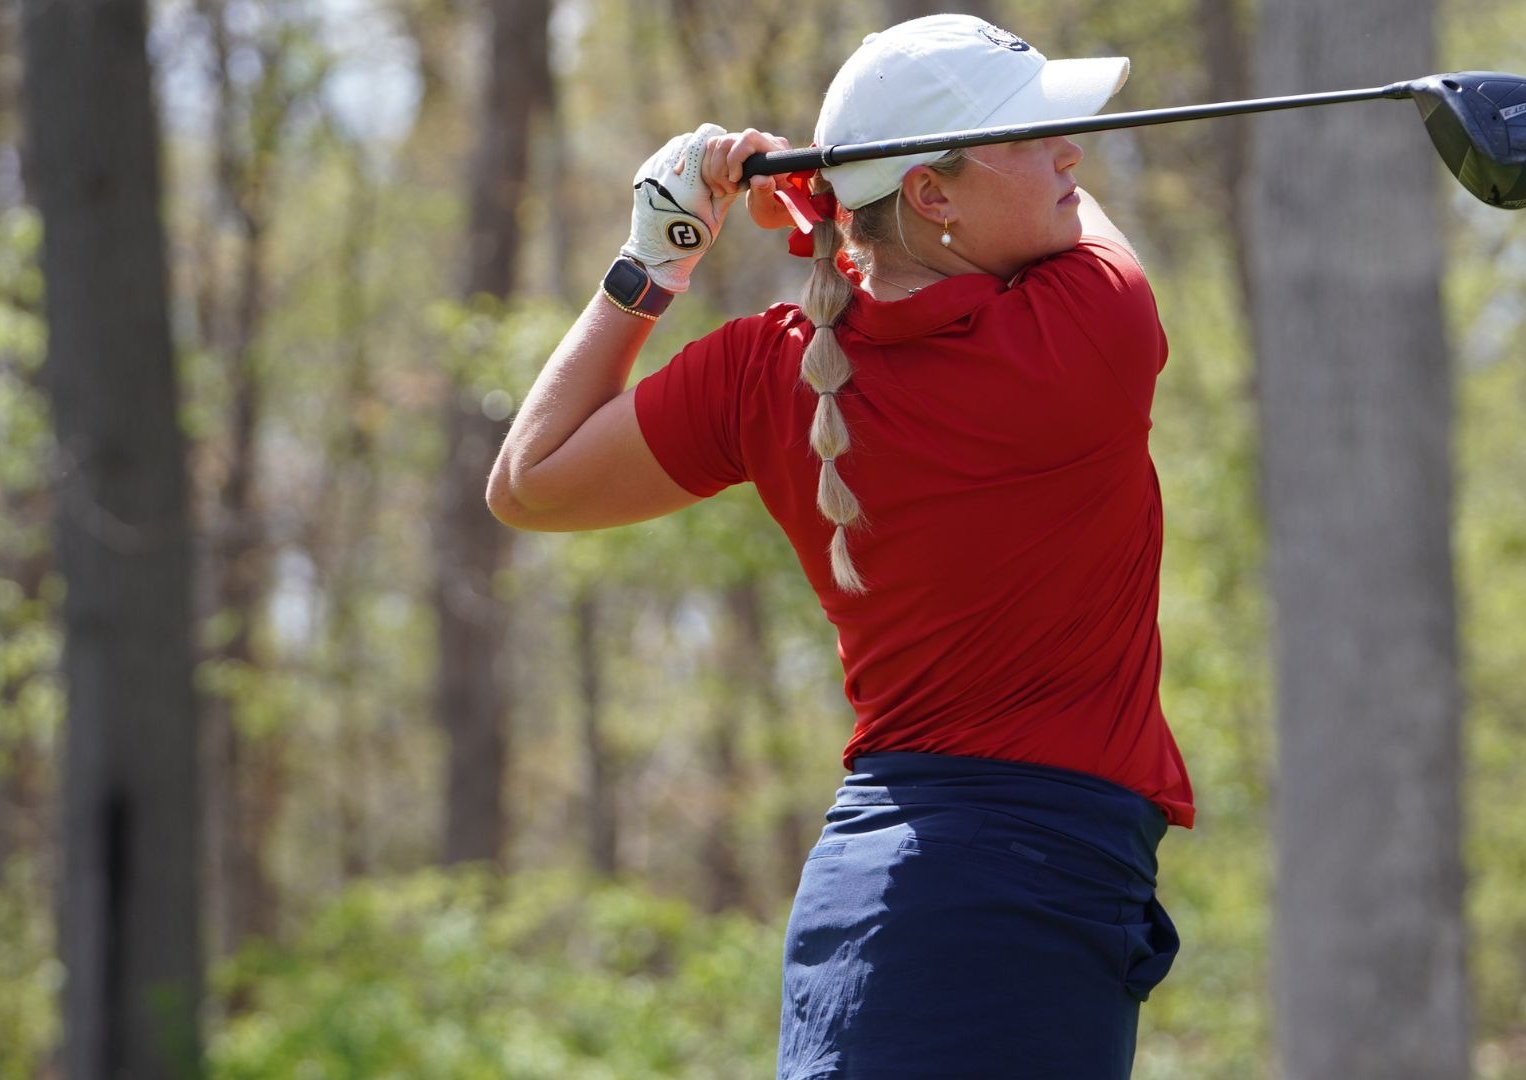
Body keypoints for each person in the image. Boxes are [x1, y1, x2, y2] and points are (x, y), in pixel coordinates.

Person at [487, 14, 1191, 1078]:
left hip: (885, 890)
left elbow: (529, 484)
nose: (1068, 154)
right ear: (932, 195)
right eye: (1029, 135)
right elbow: (1084, 219)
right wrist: (827, 195)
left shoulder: (767, 370)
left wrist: (657, 255)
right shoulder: (1095, 326)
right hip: (1017, 904)